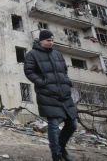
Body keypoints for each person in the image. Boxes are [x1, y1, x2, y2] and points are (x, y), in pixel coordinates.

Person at [24, 30, 78, 161]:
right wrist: (43, 83)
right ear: (41, 40)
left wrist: (67, 82)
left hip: (64, 94)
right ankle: (57, 155)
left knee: (73, 125)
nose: (51, 43)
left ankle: (61, 147)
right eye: (48, 40)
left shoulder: (58, 54)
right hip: (47, 94)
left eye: (52, 41)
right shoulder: (32, 55)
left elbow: (64, 71)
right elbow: (29, 71)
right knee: (53, 125)